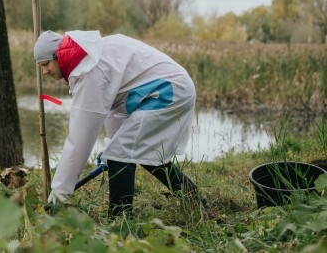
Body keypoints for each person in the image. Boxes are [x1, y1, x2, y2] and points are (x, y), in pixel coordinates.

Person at [34, 30, 207, 217]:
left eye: (45, 64)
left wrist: (60, 191)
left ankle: (120, 218)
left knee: (121, 153)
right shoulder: (90, 59)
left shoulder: (90, 71)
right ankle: (196, 202)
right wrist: (111, 143)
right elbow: (113, 110)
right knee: (139, 152)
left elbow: (80, 139)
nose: (44, 71)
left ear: (58, 55)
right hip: (167, 89)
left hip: (169, 91)